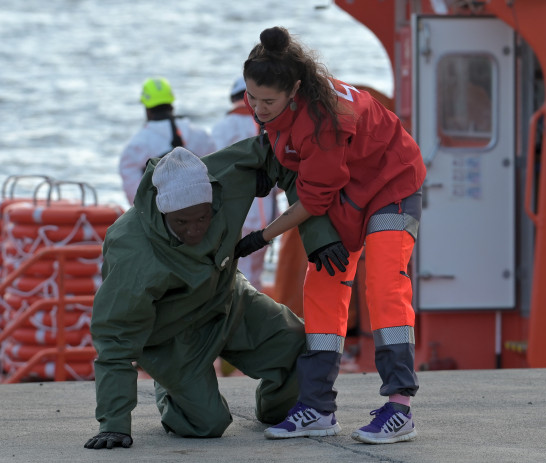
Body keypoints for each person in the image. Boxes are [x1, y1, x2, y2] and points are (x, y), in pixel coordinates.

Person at [234, 26, 426, 444]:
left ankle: (400, 407)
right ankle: (318, 408)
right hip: (347, 197)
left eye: (268, 101)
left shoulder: (324, 122)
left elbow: (313, 202)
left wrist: (260, 238)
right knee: (321, 289)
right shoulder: (280, 109)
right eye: (252, 97)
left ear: (295, 89)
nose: (258, 108)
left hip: (391, 188)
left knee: (383, 285)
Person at [84, 139, 337, 450]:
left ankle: (276, 410)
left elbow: (287, 156)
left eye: (202, 218)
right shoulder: (132, 250)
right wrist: (114, 423)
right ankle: (170, 391)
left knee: (302, 346)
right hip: (172, 336)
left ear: (215, 199)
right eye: (182, 222)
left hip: (227, 296)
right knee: (207, 425)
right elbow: (115, 336)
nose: (194, 230)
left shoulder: (229, 177)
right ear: (163, 212)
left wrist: (320, 238)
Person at [210, 76, 279, 290]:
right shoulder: (273, 125)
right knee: (254, 274)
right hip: (267, 214)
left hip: (234, 211)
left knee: (236, 273)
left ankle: (240, 319)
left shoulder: (222, 128)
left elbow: (213, 172)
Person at [119, 77, 216, 205]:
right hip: (201, 209)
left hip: (163, 213)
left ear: (147, 109)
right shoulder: (199, 135)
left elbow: (135, 196)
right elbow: (215, 169)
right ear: (172, 105)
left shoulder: (137, 145)